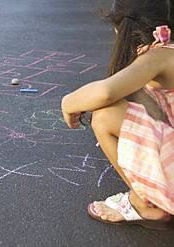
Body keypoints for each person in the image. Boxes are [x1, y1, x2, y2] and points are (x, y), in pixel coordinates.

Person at [61, 0, 174, 229]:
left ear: (122, 28)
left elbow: (105, 93)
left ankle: (146, 205)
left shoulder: (159, 57)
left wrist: (68, 102)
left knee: (105, 115)